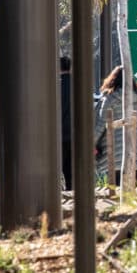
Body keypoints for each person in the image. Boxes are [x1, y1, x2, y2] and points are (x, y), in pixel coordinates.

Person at [95, 65, 137, 185]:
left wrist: (90, 145)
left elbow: (99, 125)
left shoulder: (108, 99)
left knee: (115, 189)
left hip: (113, 158)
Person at [58, 55, 73, 190]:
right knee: (71, 171)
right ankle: (72, 193)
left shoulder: (54, 87)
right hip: (75, 136)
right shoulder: (79, 86)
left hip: (59, 136)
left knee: (59, 168)